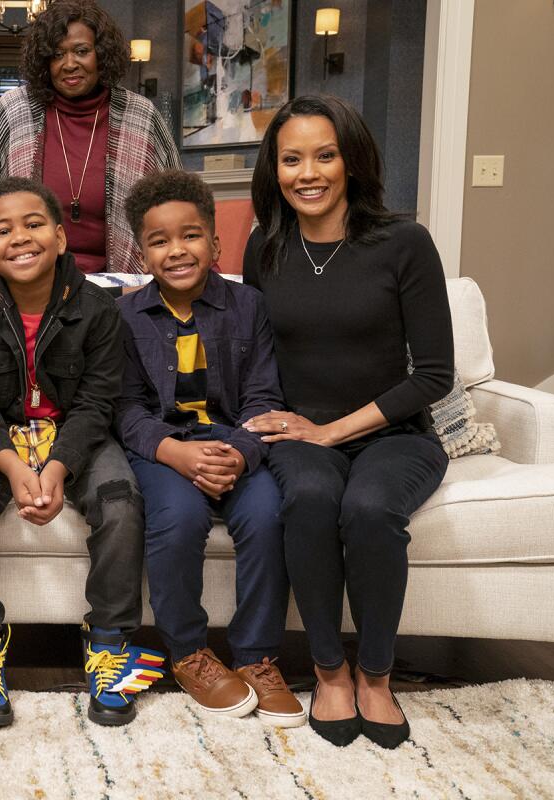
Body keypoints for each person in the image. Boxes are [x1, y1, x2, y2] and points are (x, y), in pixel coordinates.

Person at [241, 95, 454, 749]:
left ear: (352, 161)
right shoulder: (264, 249)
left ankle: (376, 675)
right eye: (292, 158)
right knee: (307, 497)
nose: (309, 172)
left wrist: (332, 431)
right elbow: (253, 356)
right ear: (274, 170)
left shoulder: (404, 243)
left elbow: (434, 376)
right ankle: (330, 672)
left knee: (367, 509)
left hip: (394, 433)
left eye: (325, 155)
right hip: (300, 434)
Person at [0, 177, 163, 729]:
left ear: (60, 237)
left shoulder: (97, 308)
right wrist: (12, 466)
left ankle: (109, 644)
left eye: (34, 224)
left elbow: (97, 401)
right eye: (2, 230)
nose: (20, 238)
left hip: (72, 432)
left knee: (121, 500)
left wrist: (57, 465)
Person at [117, 170, 306, 728]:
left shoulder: (250, 306)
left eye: (191, 235)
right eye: (159, 240)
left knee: (270, 514)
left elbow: (264, 393)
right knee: (176, 519)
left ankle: (256, 656)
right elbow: (124, 408)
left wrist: (243, 451)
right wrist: (174, 453)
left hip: (236, 444)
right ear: (142, 253)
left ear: (215, 242)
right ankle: (189, 653)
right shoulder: (125, 316)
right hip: (166, 452)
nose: (177, 250)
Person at [0, 0, 179, 274]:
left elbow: (181, 208)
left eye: (81, 51)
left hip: (120, 288)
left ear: (102, 55)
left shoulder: (141, 114)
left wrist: (212, 287)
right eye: (57, 54)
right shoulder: (13, 109)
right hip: (28, 283)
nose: (69, 64)